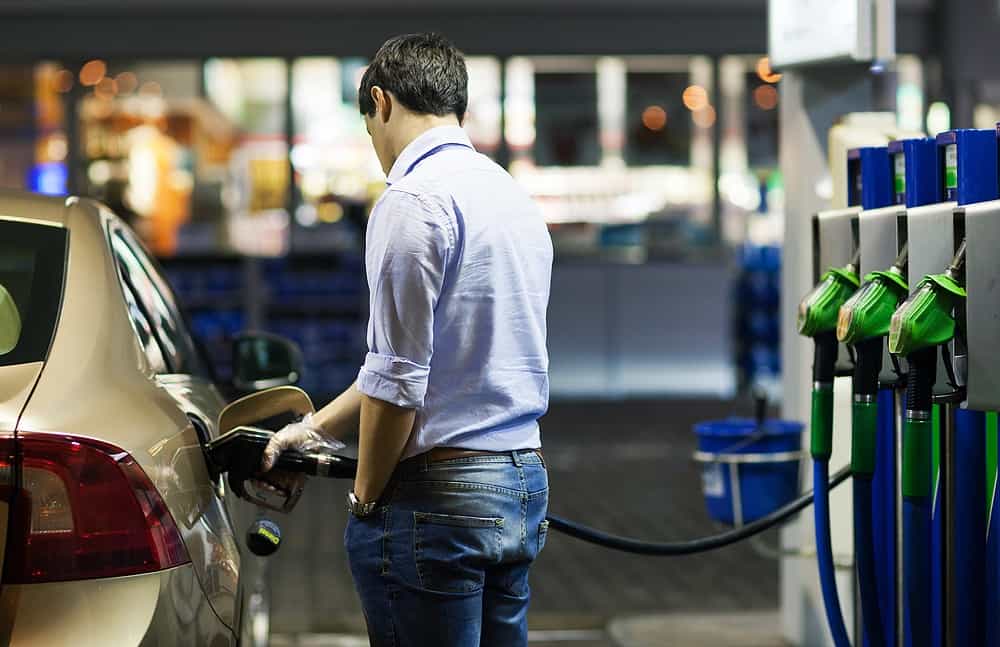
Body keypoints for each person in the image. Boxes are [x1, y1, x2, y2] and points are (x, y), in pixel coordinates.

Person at [260, 33, 554, 647]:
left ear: (381, 101)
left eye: (369, 129)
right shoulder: (511, 197)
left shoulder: (412, 199)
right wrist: (312, 430)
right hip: (520, 485)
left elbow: (399, 383)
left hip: (436, 501)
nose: (376, 148)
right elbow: (418, 366)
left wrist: (366, 499)